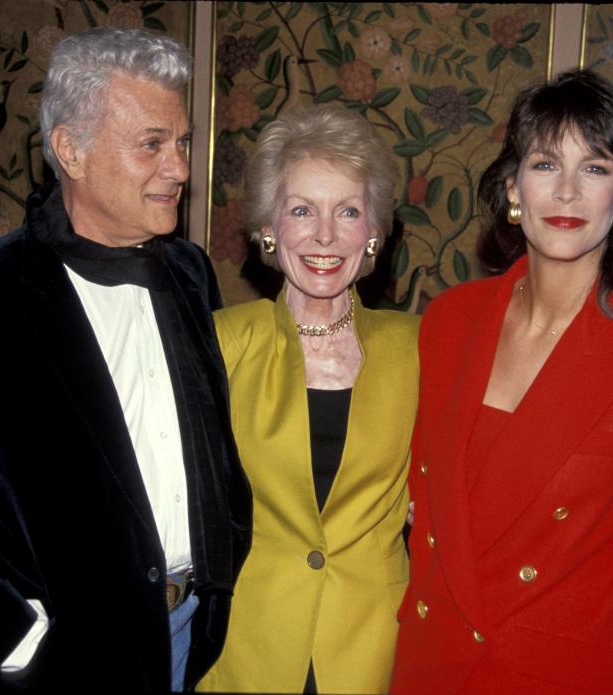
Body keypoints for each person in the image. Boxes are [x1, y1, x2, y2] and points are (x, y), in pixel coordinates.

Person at [0, 27, 251, 690]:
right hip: (56, 661)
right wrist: (10, 633)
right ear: (72, 149)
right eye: (152, 144)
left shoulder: (188, 272)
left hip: (190, 638)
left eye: (182, 143)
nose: (179, 167)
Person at [390, 69, 613, 694]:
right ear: (514, 188)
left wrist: (597, 593)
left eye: (595, 169)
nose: (568, 192)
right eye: (546, 164)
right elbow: (427, 495)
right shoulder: (449, 321)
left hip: (559, 668)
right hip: (429, 659)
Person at [197, 104, 418, 694]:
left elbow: (483, 480)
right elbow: (137, 460)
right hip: (249, 642)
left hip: (376, 649)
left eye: (347, 211)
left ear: (373, 232)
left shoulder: (420, 350)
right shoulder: (220, 343)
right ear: (270, 227)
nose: (325, 235)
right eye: (302, 210)